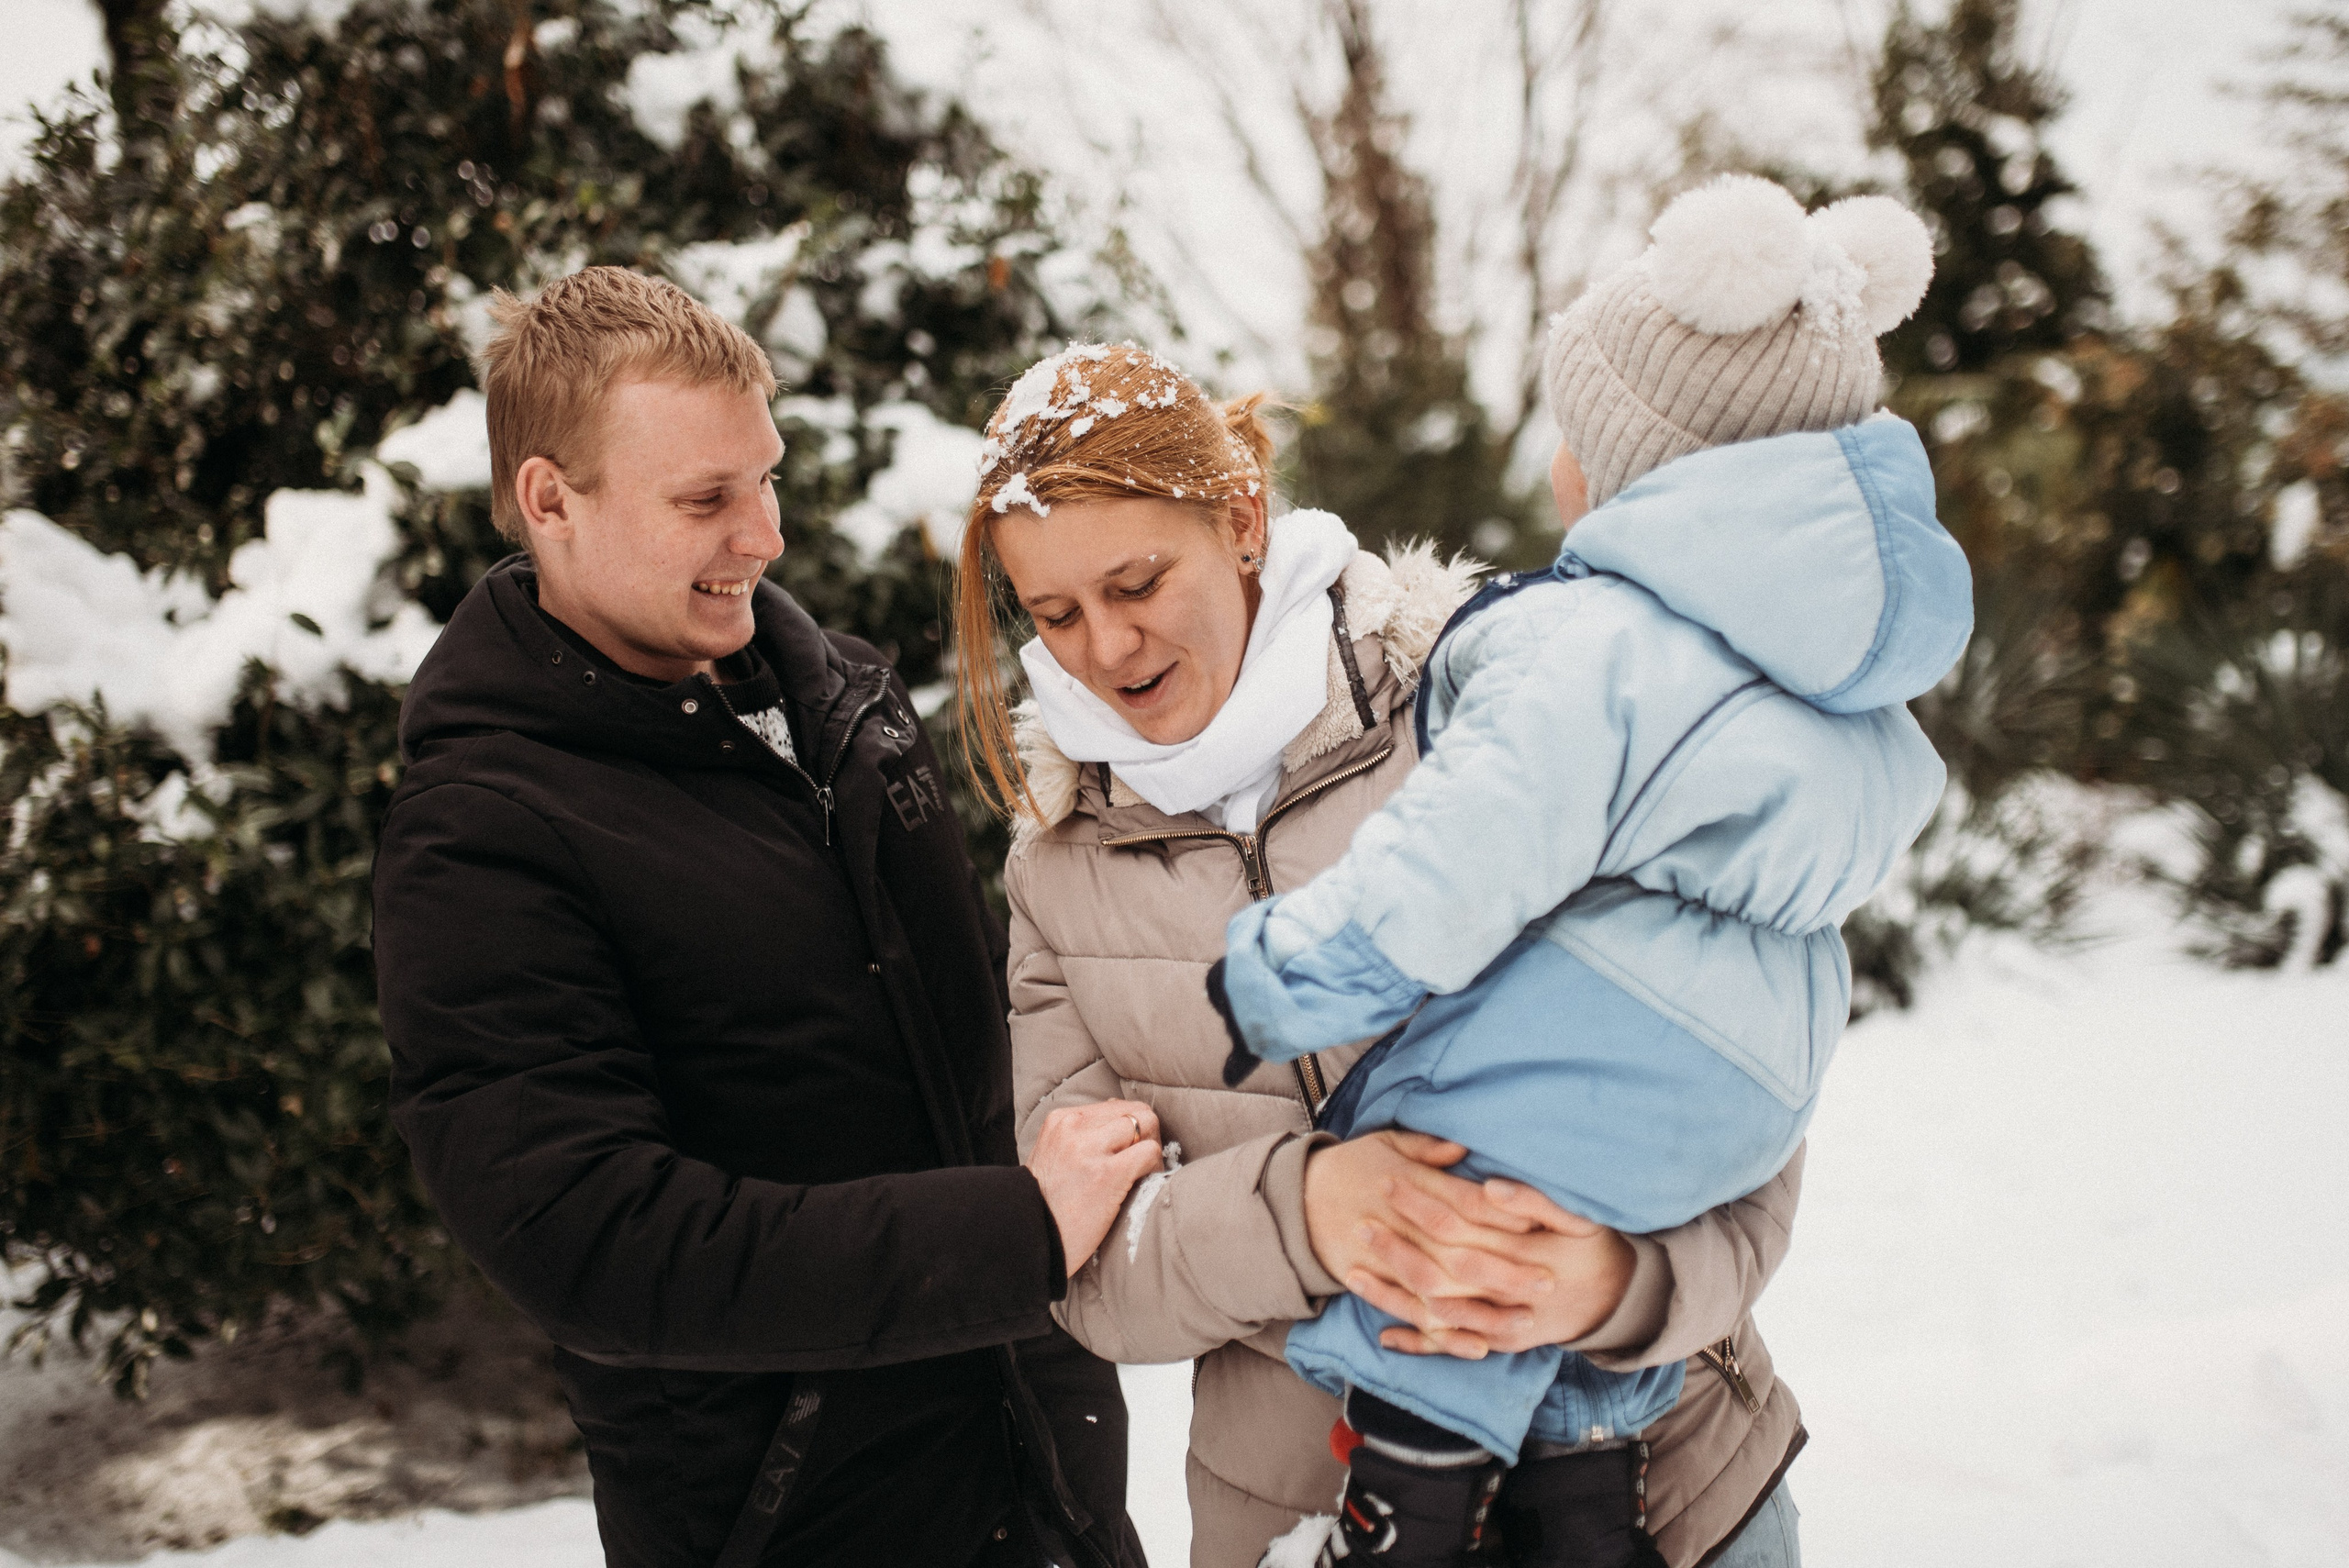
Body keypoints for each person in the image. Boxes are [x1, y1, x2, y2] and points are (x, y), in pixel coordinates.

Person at [1207, 177, 1972, 1565]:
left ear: (1644, 469)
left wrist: (1282, 971)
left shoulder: (1600, 643)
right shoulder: (1824, 677)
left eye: (1580, 430)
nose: (1562, 457)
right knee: (1569, 1214)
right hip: (1757, 1074)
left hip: (1615, 1041)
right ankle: (1585, 1496)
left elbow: (1462, 854)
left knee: (1464, 1188)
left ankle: (1405, 1510)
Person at [951, 341, 1810, 1568]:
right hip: (1309, 1520)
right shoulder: (1061, 872)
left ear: (1243, 520)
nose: (1105, 646)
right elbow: (1096, 1270)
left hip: (1670, 1491)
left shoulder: (1485, 702)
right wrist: (1309, 1210)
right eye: (1054, 613)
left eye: (1137, 581)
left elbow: (1741, 1071)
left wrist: (1617, 1281)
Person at [372, 266, 1162, 1568]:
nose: (767, 535)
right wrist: (1012, 1233)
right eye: (707, 499)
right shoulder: (483, 834)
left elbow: (979, 1048)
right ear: (550, 501)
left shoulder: (842, 697)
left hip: (1043, 1472)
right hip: (790, 1522)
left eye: (767, 478)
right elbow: (596, 1238)